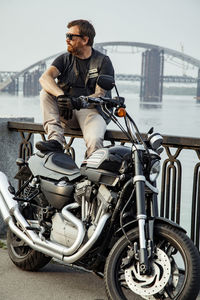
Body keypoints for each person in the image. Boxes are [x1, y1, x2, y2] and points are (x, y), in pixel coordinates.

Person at [36, 19, 114, 158]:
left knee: (95, 141)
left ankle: (91, 174)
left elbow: (100, 94)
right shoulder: (64, 59)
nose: (67, 40)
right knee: (45, 93)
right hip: (66, 113)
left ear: (85, 40)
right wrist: (61, 96)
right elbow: (45, 78)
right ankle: (55, 141)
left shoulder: (103, 61)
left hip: (91, 112)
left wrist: (78, 102)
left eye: (71, 36)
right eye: (66, 36)